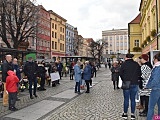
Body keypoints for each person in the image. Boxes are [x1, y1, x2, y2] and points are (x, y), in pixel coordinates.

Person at [120, 53, 141, 120]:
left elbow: (120, 73)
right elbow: (139, 73)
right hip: (134, 83)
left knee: (126, 99)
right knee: (133, 100)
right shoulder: (136, 64)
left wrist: (124, 79)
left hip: (126, 83)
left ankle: (125, 114)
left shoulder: (124, 64)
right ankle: (132, 114)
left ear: (126, 57)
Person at [146, 52, 160, 120]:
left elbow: (155, 80)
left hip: (156, 89)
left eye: (154, 59)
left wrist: (148, 85)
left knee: (151, 107)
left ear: (156, 59)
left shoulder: (157, 68)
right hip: (158, 88)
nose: (153, 60)